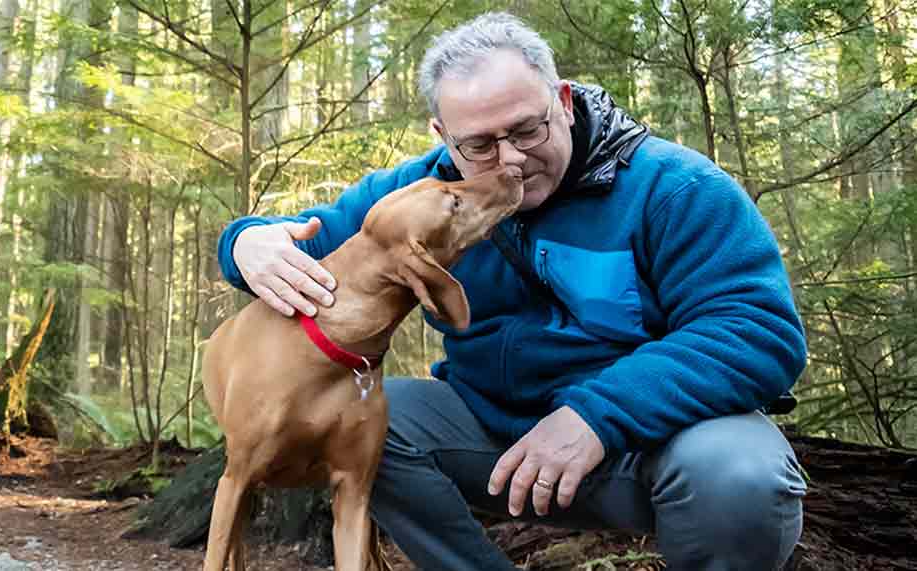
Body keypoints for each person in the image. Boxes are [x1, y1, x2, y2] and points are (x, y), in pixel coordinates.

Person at [214, 12, 809, 571]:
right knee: (376, 419)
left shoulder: (675, 189)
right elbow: (305, 242)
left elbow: (758, 329)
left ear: (564, 101)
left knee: (739, 473)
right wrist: (246, 245)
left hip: (650, 445)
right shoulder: (418, 199)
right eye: (480, 145)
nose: (512, 161)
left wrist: (598, 416)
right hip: (493, 436)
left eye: (528, 130)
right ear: (443, 136)